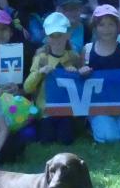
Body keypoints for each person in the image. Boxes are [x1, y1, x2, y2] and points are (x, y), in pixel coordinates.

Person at [79, 5, 120, 143]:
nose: (107, 29)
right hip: (98, 107)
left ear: (118, 26)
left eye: (111, 24)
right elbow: (81, 80)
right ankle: (91, 125)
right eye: (102, 25)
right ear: (95, 28)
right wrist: (82, 72)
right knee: (109, 137)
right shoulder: (87, 50)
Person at [24, 12, 82, 145]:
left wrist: (76, 74)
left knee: (66, 139)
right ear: (47, 37)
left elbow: (82, 85)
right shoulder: (41, 58)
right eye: (52, 36)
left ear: (68, 35)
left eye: (60, 35)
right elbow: (28, 87)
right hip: (46, 112)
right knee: (47, 139)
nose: (56, 40)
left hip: (67, 110)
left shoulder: (73, 57)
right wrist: (40, 72)